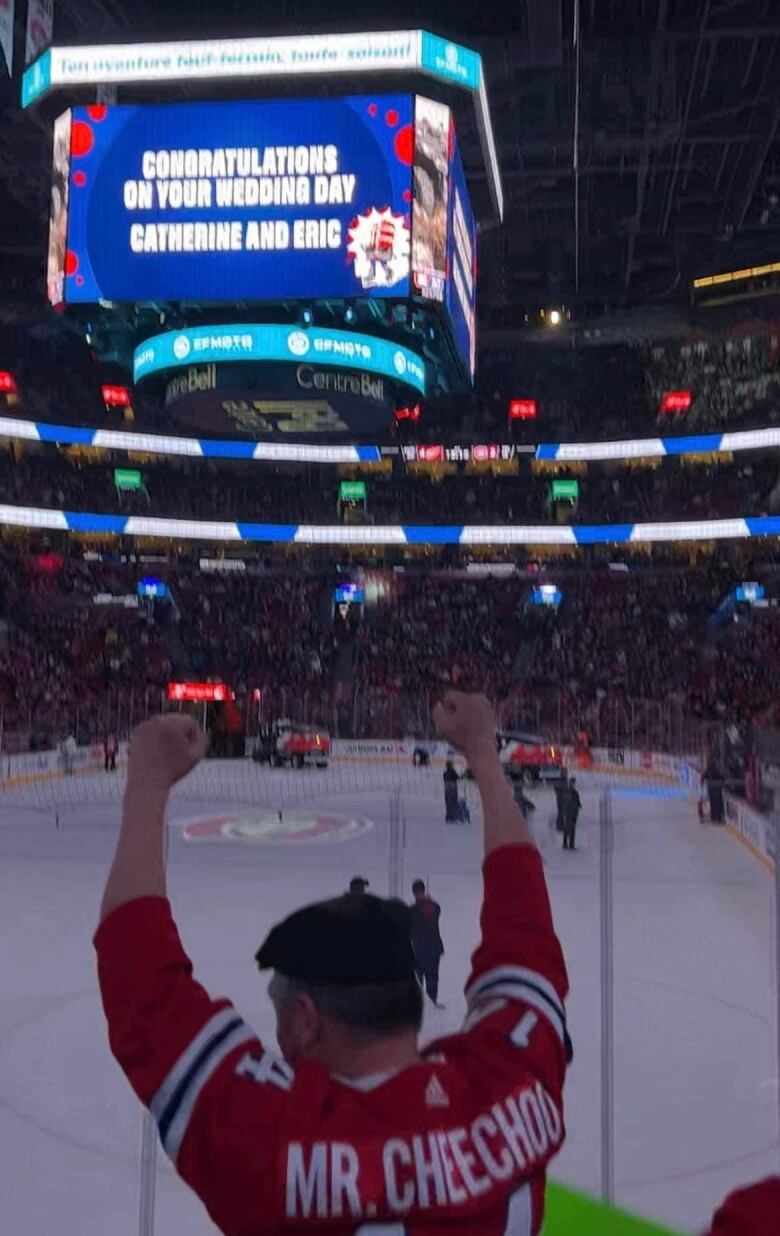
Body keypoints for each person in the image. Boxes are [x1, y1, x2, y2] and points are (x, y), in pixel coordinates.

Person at [95, 695, 570, 1234]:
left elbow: (139, 982)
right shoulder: (512, 1080)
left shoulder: (271, 1144)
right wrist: (483, 752)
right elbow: (524, 923)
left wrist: (148, 787)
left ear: (305, 1018)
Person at [410, 879, 444, 1008]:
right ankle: (431, 1003)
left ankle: (421, 1006)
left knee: (420, 980)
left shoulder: (412, 910)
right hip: (434, 948)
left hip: (419, 949)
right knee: (432, 978)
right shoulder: (434, 906)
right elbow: (438, 911)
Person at [562, 778, 582, 851]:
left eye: (573, 783)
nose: (573, 785)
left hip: (572, 812)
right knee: (570, 828)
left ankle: (567, 843)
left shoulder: (573, 792)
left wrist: (579, 805)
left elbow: (577, 801)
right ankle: (570, 844)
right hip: (570, 812)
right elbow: (569, 802)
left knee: (569, 828)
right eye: (572, 783)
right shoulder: (570, 792)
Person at [443, 757, 460, 822]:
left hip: (447, 790)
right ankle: (453, 816)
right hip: (453, 789)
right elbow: (457, 778)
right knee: (453, 803)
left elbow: (445, 780)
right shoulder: (453, 772)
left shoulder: (445, 774)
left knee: (448, 803)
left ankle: (448, 816)